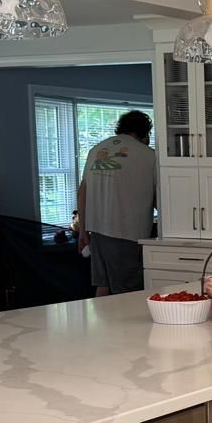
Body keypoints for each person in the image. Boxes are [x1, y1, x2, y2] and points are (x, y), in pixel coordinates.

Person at [76, 110, 158, 295]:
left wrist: (83, 230)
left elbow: (83, 192)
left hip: (97, 231)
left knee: (103, 285)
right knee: (127, 291)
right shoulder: (149, 155)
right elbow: (158, 199)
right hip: (127, 232)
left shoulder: (96, 150)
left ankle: (99, 316)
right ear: (145, 133)